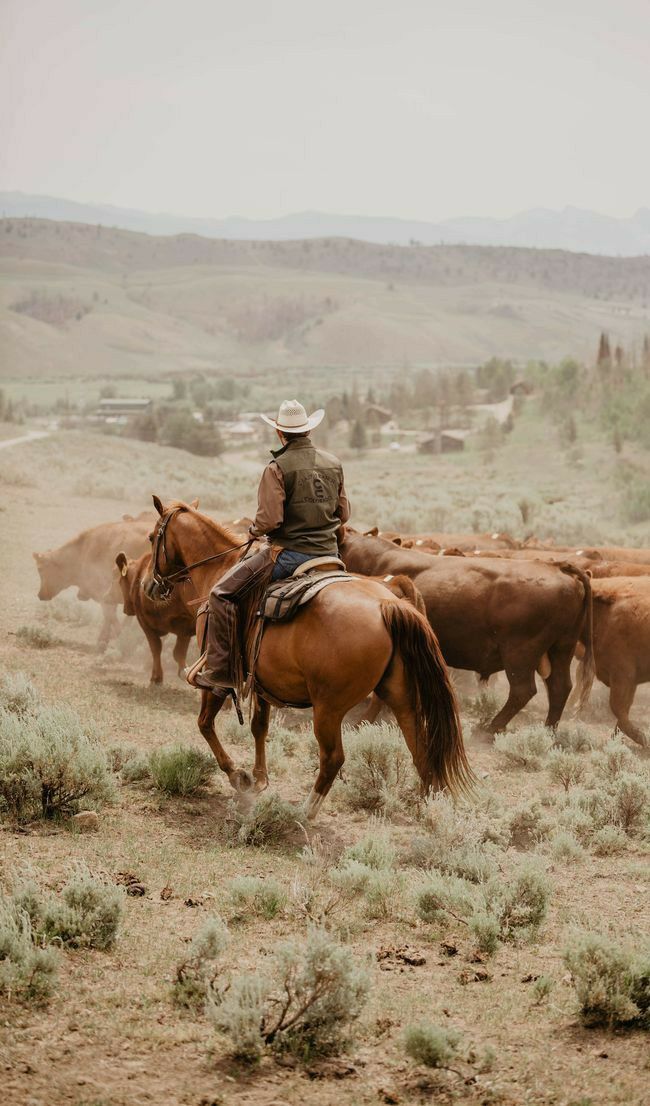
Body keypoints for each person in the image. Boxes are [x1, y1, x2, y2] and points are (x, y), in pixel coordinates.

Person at [190, 399, 350, 693]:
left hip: (289, 556)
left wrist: (253, 529)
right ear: (308, 431)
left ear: (280, 433)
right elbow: (344, 514)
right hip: (331, 555)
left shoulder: (276, 467)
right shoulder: (333, 463)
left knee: (221, 594)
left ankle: (223, 671)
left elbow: (270, 521)